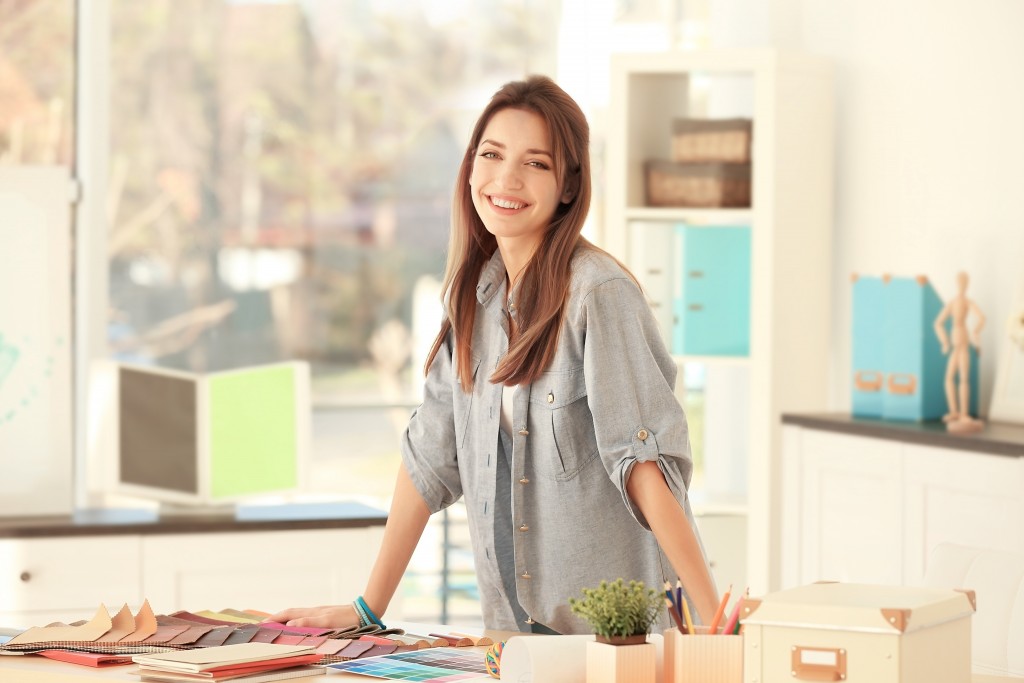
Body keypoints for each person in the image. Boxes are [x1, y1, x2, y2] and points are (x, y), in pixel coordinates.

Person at [269, 75, 718, 634]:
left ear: (569, 186)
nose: (507, 178)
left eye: (536, 163)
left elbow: (645, 463)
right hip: (513, 637)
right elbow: (429, 456)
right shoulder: (475, 298)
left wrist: (719, 629)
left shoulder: (597, 293)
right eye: (492, 154)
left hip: (620, 638)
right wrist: (367, 609)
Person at [933, 271, 985, 432]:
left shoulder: (967, 302)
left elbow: (982, 318)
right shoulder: (952, 303)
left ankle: (963, 413)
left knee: (963, 377)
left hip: (963, 343)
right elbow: (938, 323)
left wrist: (976, 332)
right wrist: (944, 341)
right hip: (955, 344)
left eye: (964, 282)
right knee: (949, 377)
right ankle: (954, 411)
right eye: (960, 281)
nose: (962, 284)